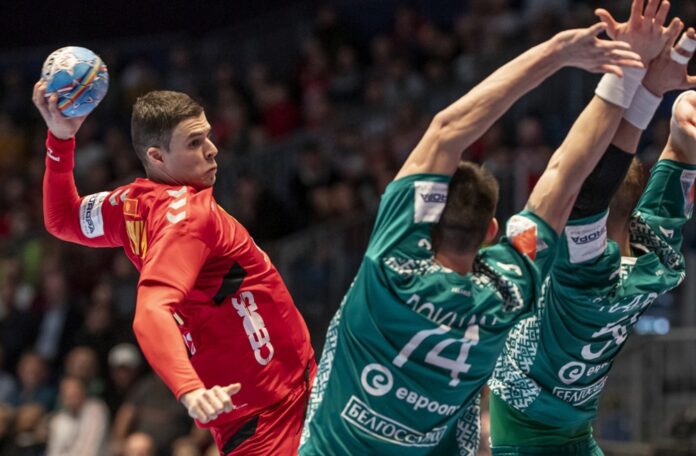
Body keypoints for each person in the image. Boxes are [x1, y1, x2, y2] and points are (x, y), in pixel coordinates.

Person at [300, 2, 670, 453]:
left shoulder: (391, 265)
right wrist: (624, 76)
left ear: (424, 229)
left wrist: (558, 52)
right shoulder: (507, 285)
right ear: (492, 230)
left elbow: (446, 130)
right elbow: (563, 178)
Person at [34, 83, 316, 454]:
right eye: (194, 142)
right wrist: (190, 389)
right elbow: (150, 311)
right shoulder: (188, 220)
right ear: (157, 156)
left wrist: (59, 140)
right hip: (268, 421)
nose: (212, 149)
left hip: (303, 388)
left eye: (207, 136)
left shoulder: (131, 205)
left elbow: (63, 218)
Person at [488, 21, 696, 455]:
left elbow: (591, 182)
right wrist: (676, 108)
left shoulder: (584, 269)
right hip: (577, 431)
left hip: (526, 439)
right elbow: (681, 149)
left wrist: (649, 87)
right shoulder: (652, 255)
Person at [46, 376, 109, 456]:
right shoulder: (59, 420)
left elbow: (89, 451)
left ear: (84, 392)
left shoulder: (96, 410)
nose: (72, 399)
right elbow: (53, 452)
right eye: (68, 395)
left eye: (75, 394)